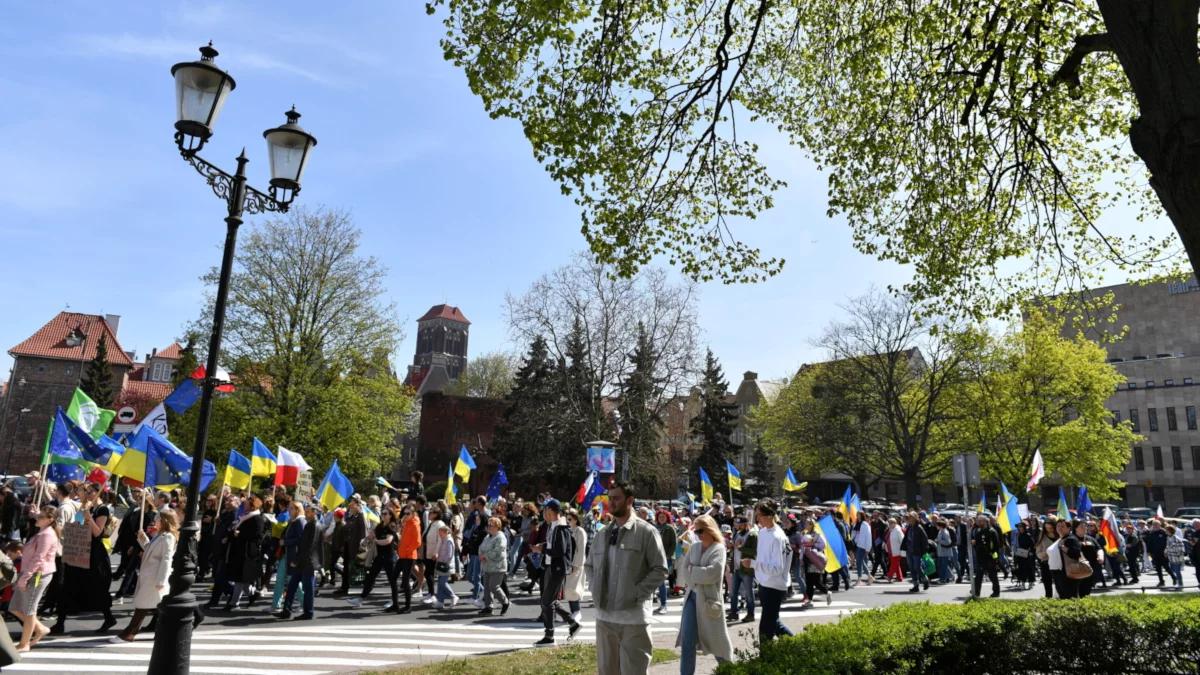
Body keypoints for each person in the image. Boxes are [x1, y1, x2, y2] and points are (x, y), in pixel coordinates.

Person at [587, 482, 667, 675]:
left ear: (630, 500)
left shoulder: (646, 532)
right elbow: (589, 566)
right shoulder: (602, 533)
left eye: (616, 498)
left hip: (634, 620)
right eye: (609, 498)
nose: (611, 503)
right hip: (604, 619)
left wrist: (636, 594)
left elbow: (660, 569)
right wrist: (594, 587)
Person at [52, 482, 116, 634]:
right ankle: (60, 622)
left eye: (89, 491)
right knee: (67, 585)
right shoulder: (85, 506)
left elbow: (98, 533)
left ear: (96, 492)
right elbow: (77, 525)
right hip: (79, 550)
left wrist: (89, 517)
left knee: (96, 588)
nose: (86, 493)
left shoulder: (102, 509)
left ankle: (108, 617)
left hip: (94, 554)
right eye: (85, 490)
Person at [675, 514, 732, 675]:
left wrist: (694, 571)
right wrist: (697, 573)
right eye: (696, 531)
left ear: (709, 529)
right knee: (687, 641)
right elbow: (685, 572)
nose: (698, 534)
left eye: (700, 531)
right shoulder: (694, 547)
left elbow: (713, 574)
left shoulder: (719, 548)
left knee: (716, 641)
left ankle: (731, 670)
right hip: (691, 598)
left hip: (709, 600)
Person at [116, 510, 178, 641]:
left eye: (157, 518)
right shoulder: (160, 535)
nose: (155, 520)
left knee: (143, 606)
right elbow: (150, 550)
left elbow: (166, 559)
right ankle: (163, 633)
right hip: (149, 575)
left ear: (164, 521)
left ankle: (130, 633)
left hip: (154, 577)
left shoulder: (168, 537)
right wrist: (143, 539)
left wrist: (161, 580)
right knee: (154, 606)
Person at [533, 499, 581, 646]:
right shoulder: (553, 526)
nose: (543, 514)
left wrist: (543, 549)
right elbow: (554, 546)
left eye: (545, 511)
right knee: (550, 601)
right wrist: (543, 545)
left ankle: (550, 636)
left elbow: (559, 551)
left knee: (546, 602)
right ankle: (572, 623)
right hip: (550, 567)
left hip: (557, 568)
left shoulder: (560, 527)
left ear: (551, 511)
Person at [12, 506, 58, 651]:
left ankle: (24, 643)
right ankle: (40, 628)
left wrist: (24, 578)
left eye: (41, 517)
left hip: (37, 575)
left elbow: (39, 558)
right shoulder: (42, 531)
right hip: (29, 573)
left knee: (29, 610)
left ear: (50, 520)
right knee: (14, 607)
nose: (37, 518)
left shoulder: (47, 535)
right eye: (38, 515)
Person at [751, 499, 793, 644]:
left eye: (759, 515)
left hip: (775, 586)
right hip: (764, 583)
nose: (757, 519)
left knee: (765, 628)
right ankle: (798, 647)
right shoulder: (762, 532)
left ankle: (766, 660)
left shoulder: (778, 536)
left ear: (769, 516)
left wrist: (753, 564)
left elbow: (777, 568)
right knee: (774, 623)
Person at [276, 502, 321, 620]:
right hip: (302, 561)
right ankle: (286, 611)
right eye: (306, 511)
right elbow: (303, 545)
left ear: (314, 513)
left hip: (308, 562)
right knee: (291, 586)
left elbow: (309, 547)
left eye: (308, 511)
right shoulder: (309, 524)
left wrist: (297, 560)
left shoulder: (314, 526)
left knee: (308, 589)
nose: (306, 513)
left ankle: (308, 612)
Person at [226, 494, 266, 610]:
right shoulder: (244, 517)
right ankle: (252, 594)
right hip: (240, 550)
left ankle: (234, 603)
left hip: (248, 552)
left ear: (253, 506)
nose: (245, 506)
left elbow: (257, 536)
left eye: (247, 504)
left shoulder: (257, 518)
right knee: (242, 579)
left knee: (241, 578)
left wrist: (240, 534)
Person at [478, 516, 510, 616]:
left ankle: (505, 602)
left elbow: (498, 552)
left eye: (491, 525)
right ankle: (488, 607)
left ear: (497, 526)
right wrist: (481, 555)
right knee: (486, 587)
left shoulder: (500, 537)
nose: (489, 527)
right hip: (487, 566)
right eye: (488, 525)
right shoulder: (487, 537)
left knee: (494, 586)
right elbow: (481, 547)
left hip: (498, 567)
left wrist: (485, 556)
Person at [726, 517, 756, 622]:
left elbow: (754, 551)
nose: (739, 526)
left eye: (741, 524)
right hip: (737, 568)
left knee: (748, 593)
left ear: (746, 524)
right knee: (733, 592)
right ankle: (734, 612)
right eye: (738, 524)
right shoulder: (737, 534)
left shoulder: (752, 535)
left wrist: (740, 547)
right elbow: (735, 547)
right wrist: (731, 546)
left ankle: (751, 614)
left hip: (747, 569)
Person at [392, 504, 420, 613]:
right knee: (394, 577)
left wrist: (407, 550)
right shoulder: (407, 523)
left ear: (413, 514)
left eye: (408, 513)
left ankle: (408, 606)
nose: (406, 515)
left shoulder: (415, 524)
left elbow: (417, 542)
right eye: (405, 513)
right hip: (403, 555)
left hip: (409, 556)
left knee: (405, 580)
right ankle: (396, 604)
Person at [563, 509, 588, 622]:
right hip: (568, 563)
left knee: (573, 588)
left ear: (576, 519)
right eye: (567, 519)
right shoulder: (568, 530)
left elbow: (581, 550)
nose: (568, 521)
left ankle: (577, 611)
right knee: (568, 589)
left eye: (570, 519)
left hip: (576, 564)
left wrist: (576, 565)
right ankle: (574, 612)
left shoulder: (580, 531)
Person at [798, 518, 830, 609]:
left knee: (816, 581)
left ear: (812, 525)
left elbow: (823, 545)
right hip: (806, 560)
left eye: (807, 524)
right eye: (805, 524)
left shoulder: (817, 535)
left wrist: (813, 545)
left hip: (814, 560)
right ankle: (809, 600)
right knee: (808, 582)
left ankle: (827, 592)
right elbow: (802, 548)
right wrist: (801, 559)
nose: (805, 525)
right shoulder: (803, 534)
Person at [970, 514, 1001, 598]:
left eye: (980, 521)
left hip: (990, 557)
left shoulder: (992, 531)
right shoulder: (979, 531)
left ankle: (996, 592)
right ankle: (976, 593)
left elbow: (996, 546)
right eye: (978, 521)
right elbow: (977, 544)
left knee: (993, 576)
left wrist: (995, 558)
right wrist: (975, 543)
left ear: (985, 521)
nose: (978, 523)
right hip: (981, 558)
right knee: (978, 576)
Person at [654, 510, 677, 615]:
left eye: (663, 516)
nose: (661, 518)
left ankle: (664, 605)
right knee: (657, 581)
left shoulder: (670, 528)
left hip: (666, 558)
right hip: (655, 557)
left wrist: (668, 555)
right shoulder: (655, 528)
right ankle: (660, 604)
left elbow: (673, 544)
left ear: (667, 517)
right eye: (660, 517)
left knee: (661, 581)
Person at [433, 522, 459, 609]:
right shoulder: (444, 540)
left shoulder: (448, 540)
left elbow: (449, 555)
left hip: (446, 566)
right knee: (440, 584)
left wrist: (443, 561)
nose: (439, 535)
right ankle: (440, 601)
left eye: (441, 533)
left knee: (442, 583)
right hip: (443, 565)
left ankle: (453, 596)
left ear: (445, 532)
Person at [903, 513, 930, 592]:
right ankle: (916, 585)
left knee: (917, 568)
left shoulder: (919, 528)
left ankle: (925, 580)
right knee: (912, 569)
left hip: (917, 551)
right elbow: (906, 538)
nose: (909, 519)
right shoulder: (909, 527)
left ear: (915, 518)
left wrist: (924, 551)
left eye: (911, 517)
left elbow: (925, 540)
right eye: (909, 518)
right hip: (909, 551)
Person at [1034, 517, 1058, 598]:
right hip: (1045, 562)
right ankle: (1048, 598)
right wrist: (1046, 553)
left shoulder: (1059, 535)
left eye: (1050, 528)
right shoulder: (1042, 536)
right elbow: (1038, 552)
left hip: (1058, 562)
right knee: (1047, 582)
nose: (1049, 530)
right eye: (1047, 528)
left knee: (1059, 583)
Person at [1144, 519, 1169, 587]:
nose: (1155, 526)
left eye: (1156, 525)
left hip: (1163, 553)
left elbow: (1168, 542)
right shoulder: (1151, 533)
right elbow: (1149, 543)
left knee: (1166, 567)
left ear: (1159, 525)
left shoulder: (1164, 532)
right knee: (1158, 568)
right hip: (1155, 553)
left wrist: (1167, 550)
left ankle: (1174, 577)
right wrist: (1148, 551)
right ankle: (1161, 581)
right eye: (1154, 525)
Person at [852, 513, 874, 585]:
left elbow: (868, 537)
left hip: (863, 546)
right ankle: (870, 577)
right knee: (861, 562)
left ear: (862, 516)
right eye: (857, 515)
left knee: (859, 562)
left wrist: (868, 548)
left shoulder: (865, 525)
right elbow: (854, 534)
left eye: (858, 515)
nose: (857, 516)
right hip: (857, 545)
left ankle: (859, 579)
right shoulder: (857, 524)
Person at [1165, 525, 1185, 590]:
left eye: (1167, 530)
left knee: (1177, 572)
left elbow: (1181, 550)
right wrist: (1165, 552)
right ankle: (1177, 584)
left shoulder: (1177, 539)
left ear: (1170, 531)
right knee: (1173, 571)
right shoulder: (1168, 538)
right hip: (1171, 558)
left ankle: (1180, 585)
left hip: (1177, 559)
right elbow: (1167, 546)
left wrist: (1180, 559)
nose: (1166, 531)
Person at [885, 517, 904, 582]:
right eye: (889, 523)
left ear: (894, 523)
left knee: (893, 564)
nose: (889, 524)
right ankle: (900, 577)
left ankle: (889, 576)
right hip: (892, 550)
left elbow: (902, 540)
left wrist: (902, 550)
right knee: (896, 564)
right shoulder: (891, 530)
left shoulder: (898, 530)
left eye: (891, 523)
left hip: (897, 550)